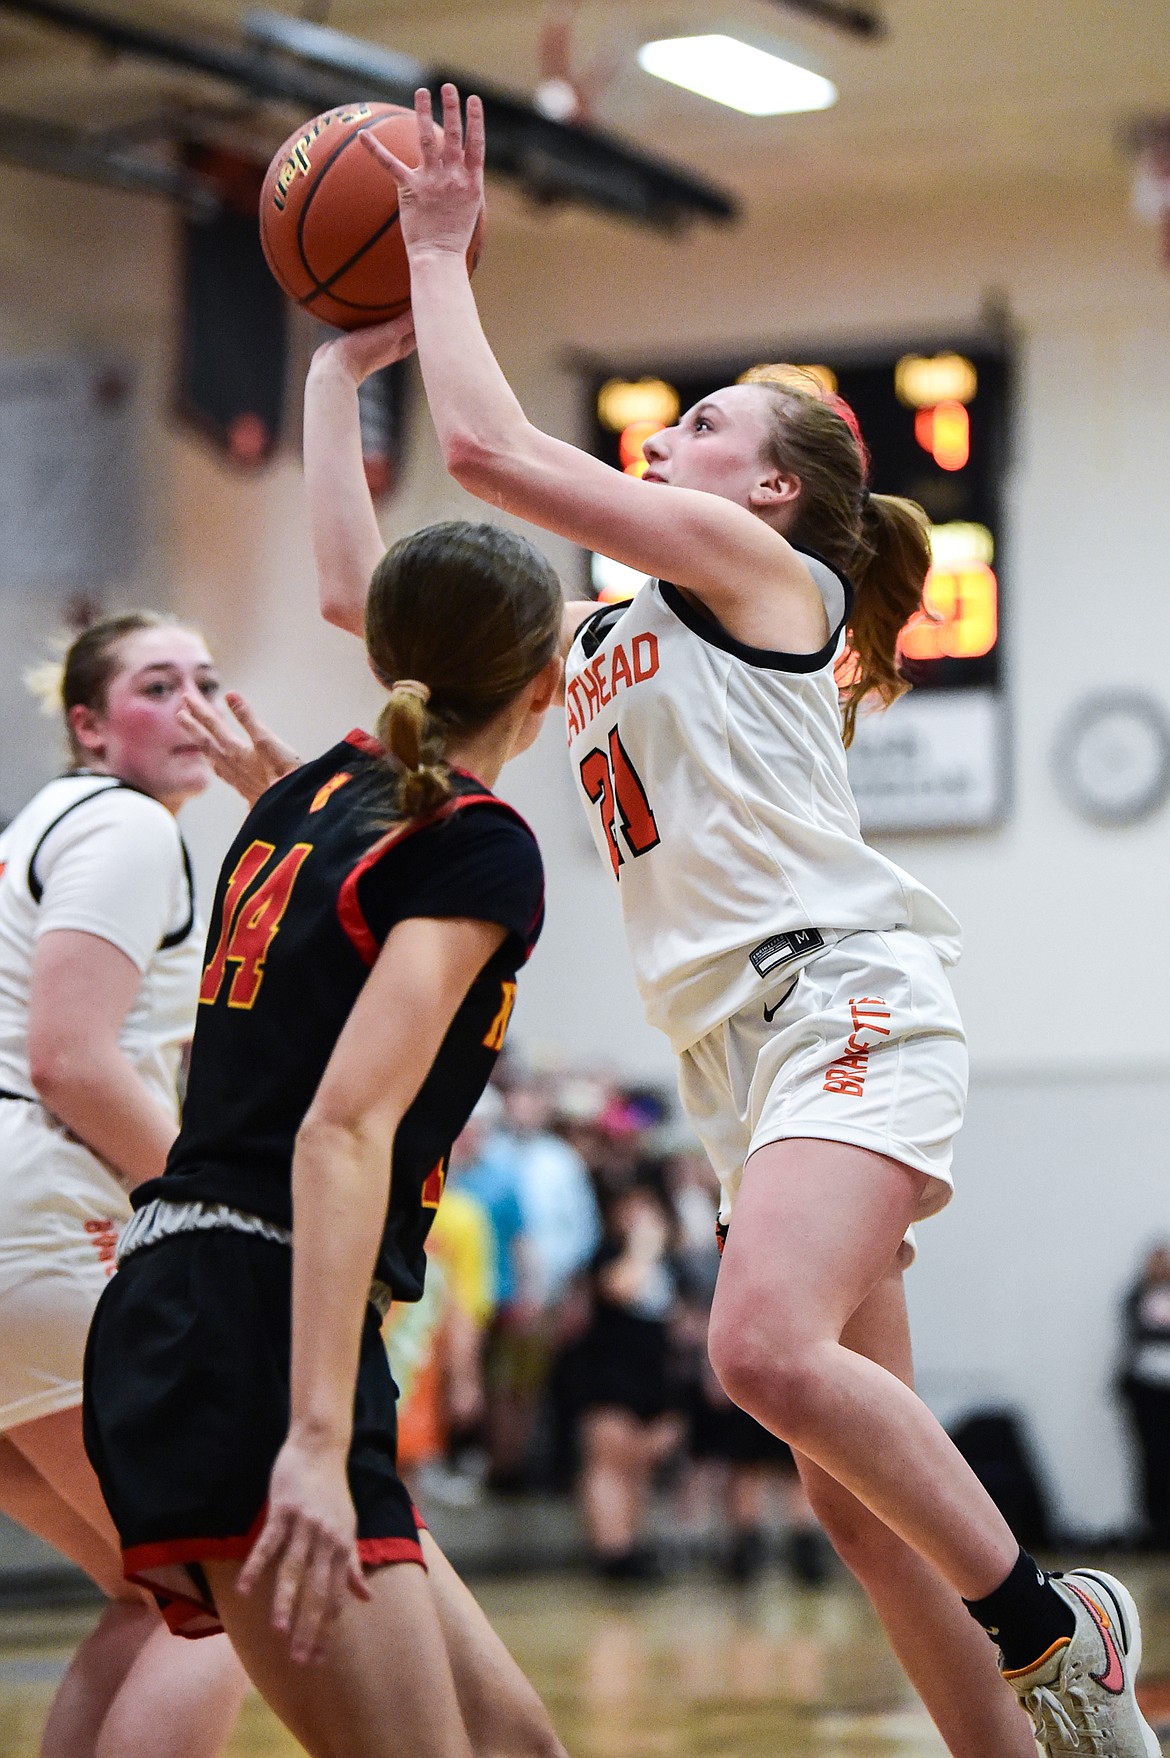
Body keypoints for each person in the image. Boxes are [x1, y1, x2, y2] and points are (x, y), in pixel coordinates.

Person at [309, 84, 1159, 1758]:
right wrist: (338, 376)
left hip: (844, 996)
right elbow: (370, 609)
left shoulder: (775, 584)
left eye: (699, 426)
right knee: (855, 1499)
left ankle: (1059, 1623)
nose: (664, 443)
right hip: (732, 1054)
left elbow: (488, 451)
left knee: (762, 1347)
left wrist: (434, 258)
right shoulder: (615, 625)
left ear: (768, 492)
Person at [82, 519, 572, 1758]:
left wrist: (344, 369)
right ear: (548, 681)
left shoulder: (299, 798)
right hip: (257, 1327)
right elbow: (342, 1126)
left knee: (522, 1747)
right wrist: (310, 1438)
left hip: (196, 1303)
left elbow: (339, 892)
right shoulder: (479, 841)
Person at [0, 613, 248, 1758]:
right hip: (39, 1223)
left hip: (19, 1242)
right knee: (229, 1591)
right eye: (159, 685)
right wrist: (222, 1218)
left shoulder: (41, 827)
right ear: (90, 725)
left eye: (206, 679)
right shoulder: (127, 827)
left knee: (154, 1592)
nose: (193, 701)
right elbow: (72, 1059)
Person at [575, 1181, 685, 1580]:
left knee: (640, 1465)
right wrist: (642, 1248)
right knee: (609, 1460)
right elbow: (618, 1288)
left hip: (653, 1375)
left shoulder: (670, 1264)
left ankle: (632, 1545)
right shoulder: (607, 1254)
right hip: (610, 1373)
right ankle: (611, 1550)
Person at [1117, 1243, 1170, 1551]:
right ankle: (1154, 1526)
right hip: (1146, 1388)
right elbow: (1135, 1333)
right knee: (1152, 1459)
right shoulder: (1137, 1296)